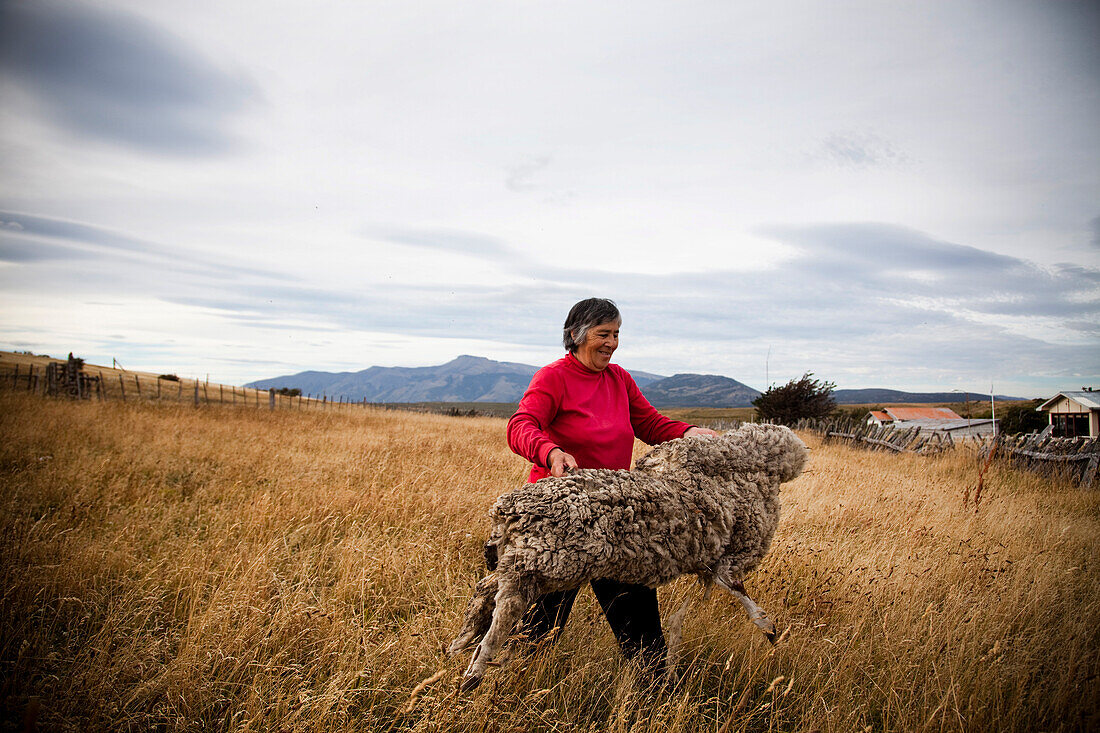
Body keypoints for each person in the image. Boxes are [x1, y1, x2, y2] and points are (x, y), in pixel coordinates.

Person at [505, 297, 719, 675]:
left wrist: (688, 432)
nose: (611, 342)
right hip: (562, 519)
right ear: (575, 334)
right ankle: (516, 692)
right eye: (603, 334)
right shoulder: (553, 377)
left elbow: (650, 424)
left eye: (616, 334)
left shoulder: (619, 379)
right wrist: (551, 452)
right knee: (538, 628)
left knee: (640, 627)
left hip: (616, 517)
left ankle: (656, 701)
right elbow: (520, 425)